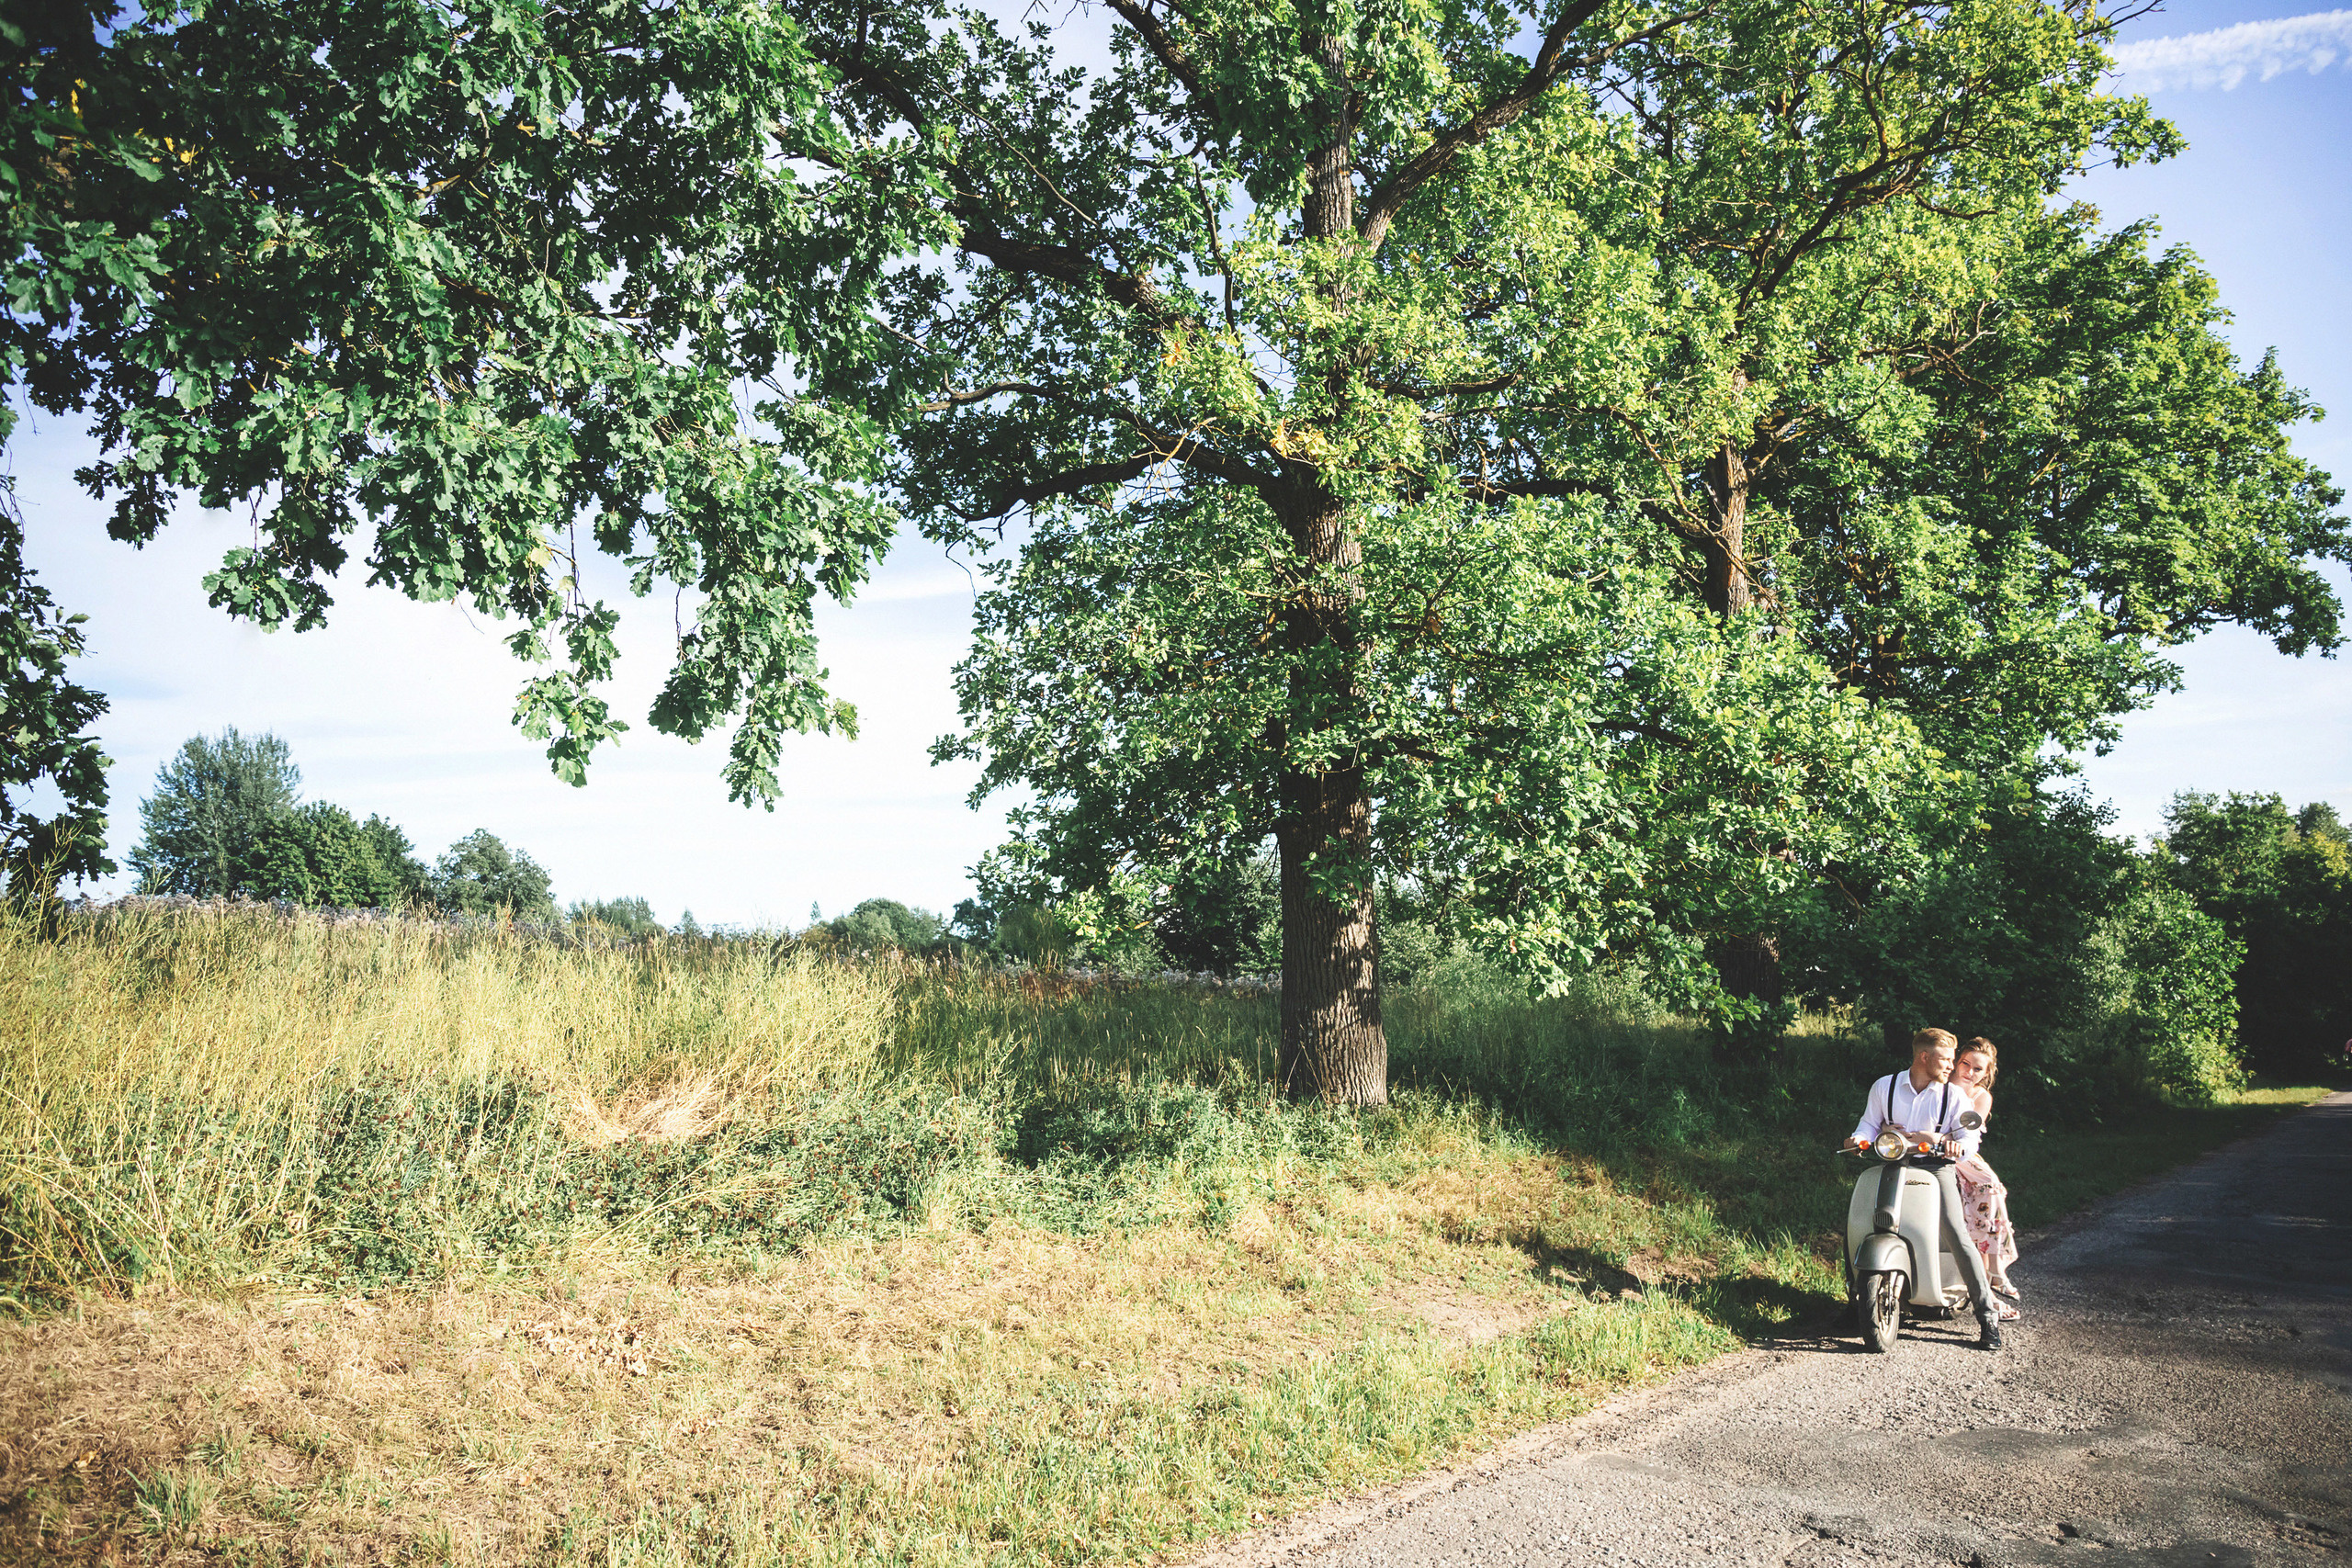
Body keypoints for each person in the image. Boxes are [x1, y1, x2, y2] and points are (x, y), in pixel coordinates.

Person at [1844, 1027, 2005, 1350]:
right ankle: (1855, 1302)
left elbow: (1969, 1136)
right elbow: (1869, 1123)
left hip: (1936, 1167)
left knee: (1956, 1233)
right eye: (1945, 1060)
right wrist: (1858, 1140)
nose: (1952, 1066)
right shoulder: (1885, 1086)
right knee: (1856, 1224)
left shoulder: (1954, 1096)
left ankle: (1987, 1315)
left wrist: (1955, 1146)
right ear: (1924, 1057)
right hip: (1892, 1163)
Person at [1951, 1038, 2020, 1318]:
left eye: (1977, 1069)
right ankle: (1990, 1276)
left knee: (1990, 1187)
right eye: (1965, 1064)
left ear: (1986, 1073)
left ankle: (1995, 1268)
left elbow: (1967, 1128)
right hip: (1933, 1149)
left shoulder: (1981, 1096)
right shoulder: (1939, 1084)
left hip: (1961, 1152)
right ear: (1957, 1061)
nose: (1969, 1072)